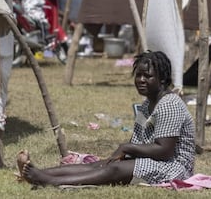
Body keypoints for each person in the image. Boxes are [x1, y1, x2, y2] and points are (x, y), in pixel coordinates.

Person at [17, 50, 196, 187]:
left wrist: (126, 148)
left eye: (148, 76)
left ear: (163, 80)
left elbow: (164, 150)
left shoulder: (170, 104)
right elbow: (140, 142)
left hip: (174, 168)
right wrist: (123, 154)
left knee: (114, 168)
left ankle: (51, 182)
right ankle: (39, 173)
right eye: (138, 75)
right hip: (153, 161)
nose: (141, 80)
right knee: (101, 165)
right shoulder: (146, 105)